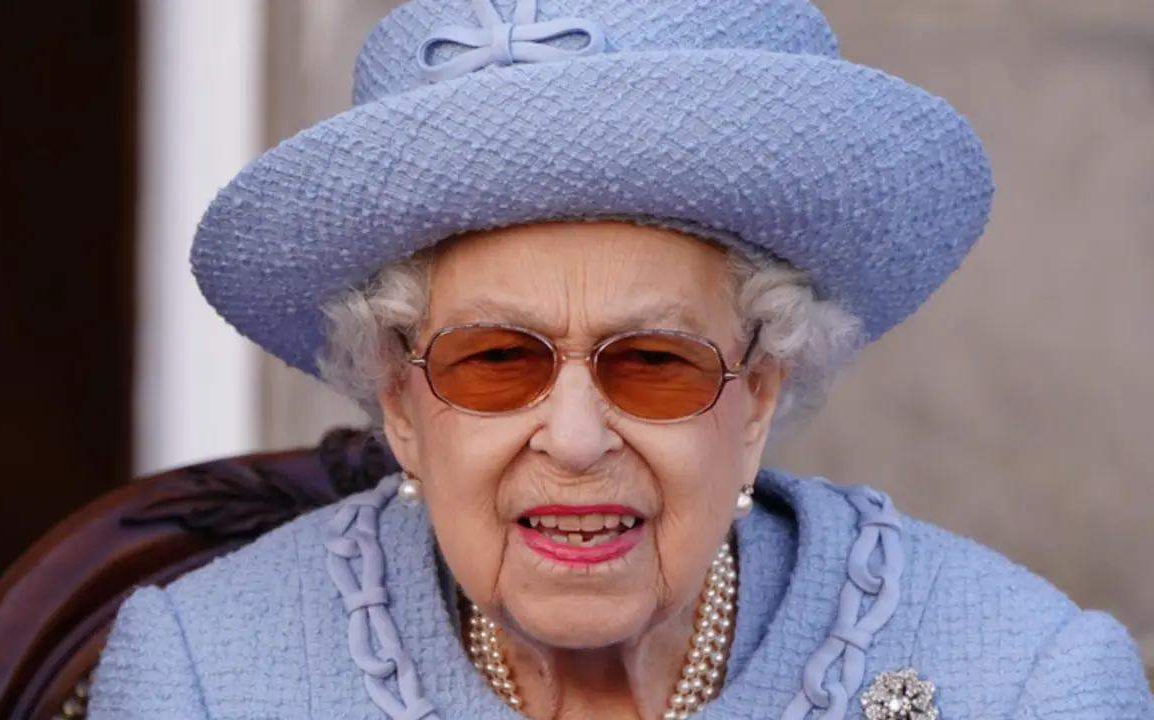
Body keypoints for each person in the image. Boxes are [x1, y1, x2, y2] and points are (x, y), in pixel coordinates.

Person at [88, 0, 1154, 718]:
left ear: (759, 395)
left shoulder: (1024, 682)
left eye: (652, 363)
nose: (575, 437)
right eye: (495, 359)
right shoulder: (204, 677)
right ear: (399, 401)